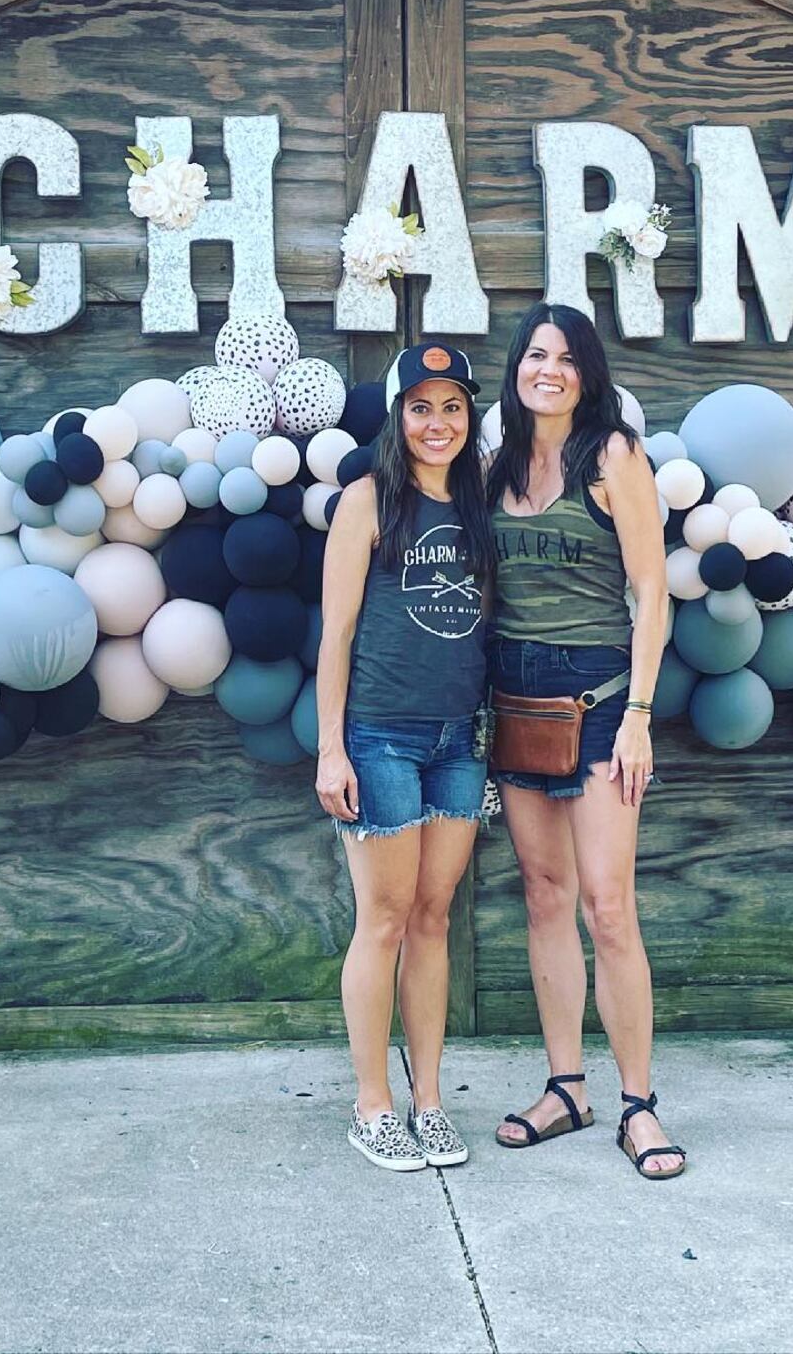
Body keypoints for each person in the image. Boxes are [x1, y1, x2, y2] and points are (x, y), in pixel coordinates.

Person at [485, 304, 684, 1180]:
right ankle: (567, 1086)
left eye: (567, 358)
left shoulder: (612, 456)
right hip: (517, 700)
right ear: (517, 370)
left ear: (588, 372)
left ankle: (638, 1103)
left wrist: (639, 715)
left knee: (609, 906)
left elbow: (653, 589)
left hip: (601, 703)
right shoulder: (492, 467)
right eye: (536, 354)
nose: (550, 370)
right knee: (543, 895)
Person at [315, 342, 493, 1171]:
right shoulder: (367, 502)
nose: (437, 423)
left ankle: (428, 1101)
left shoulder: (482, 504)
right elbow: (339, 633)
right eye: (420, 407)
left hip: (460, 740)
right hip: (381, 736)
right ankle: (373, 1105)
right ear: (396, 417)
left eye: (451, 406)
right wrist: (331, 750)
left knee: (432, 919)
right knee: (383, 920)